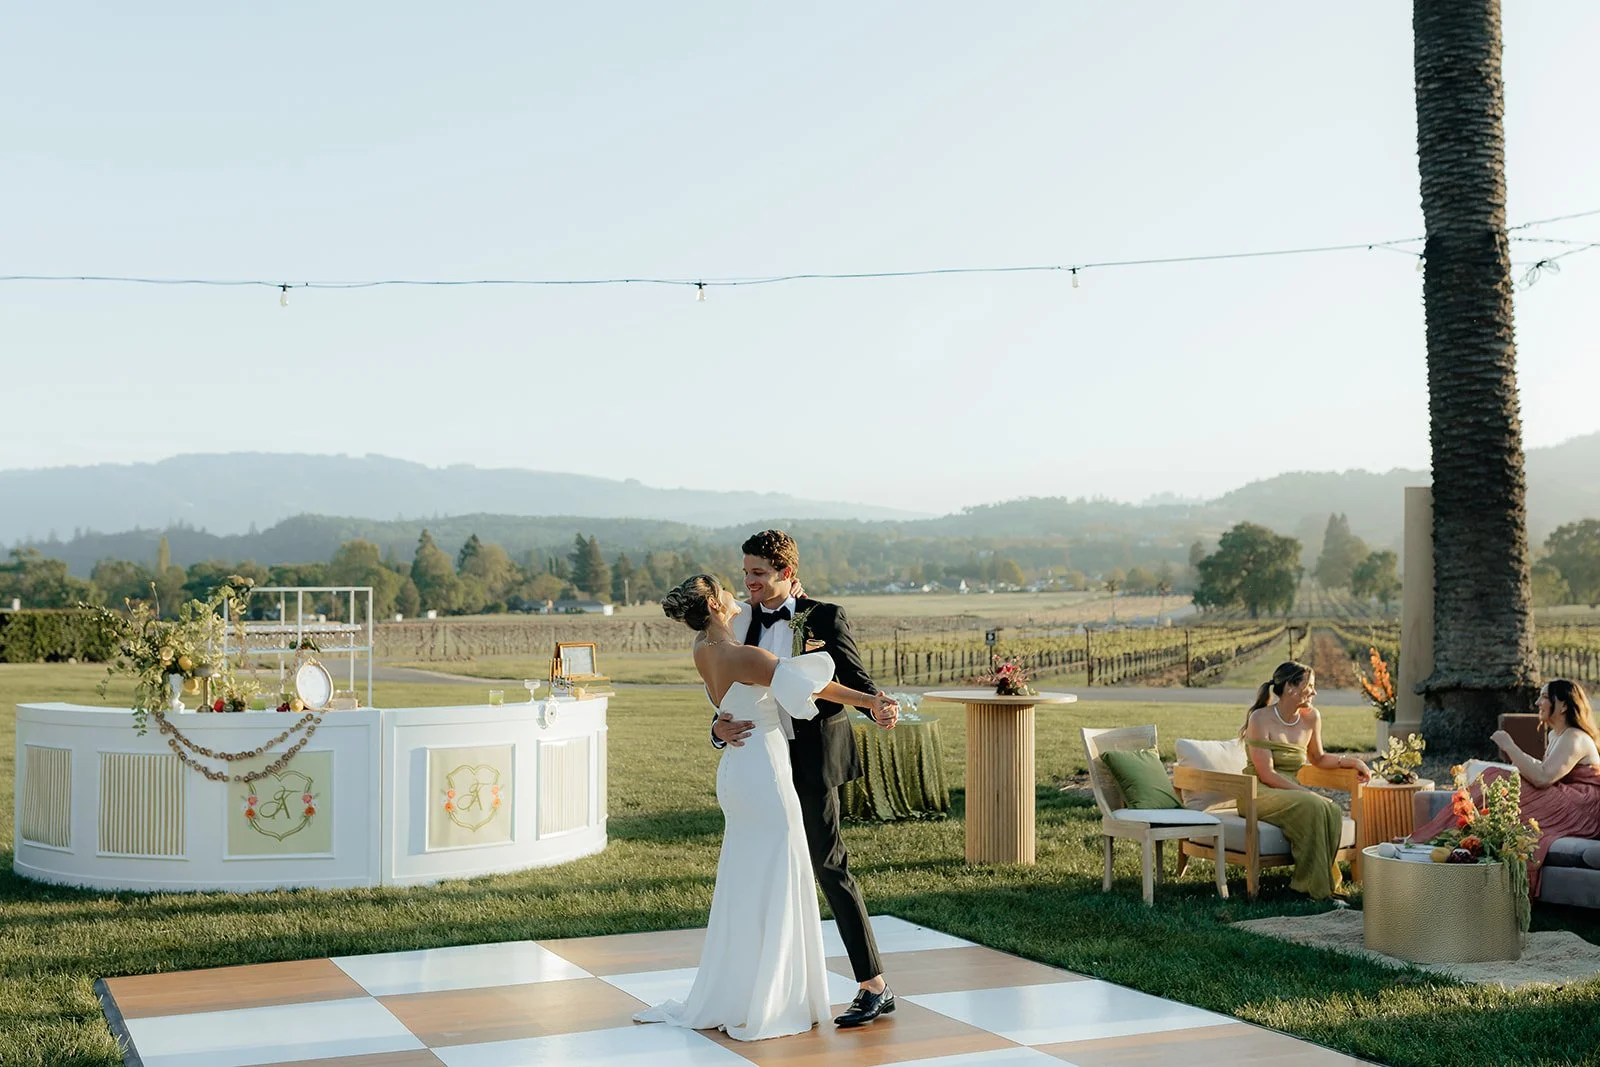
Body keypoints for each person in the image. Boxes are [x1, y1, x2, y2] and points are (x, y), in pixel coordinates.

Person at [633, 574, 898, 1041]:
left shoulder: (703, 648)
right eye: (732, 583)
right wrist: (871, 701)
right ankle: (776, 998)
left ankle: (745, 989)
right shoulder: (744, 653)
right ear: (715, 603)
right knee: (783, 876)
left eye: (754, 573)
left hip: (741, 773)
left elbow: (729, 706)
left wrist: (720, 728)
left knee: (748, 877)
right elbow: (812, 688)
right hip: (767, 773)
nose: (743, 585)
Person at [710, 530, 900, 1028]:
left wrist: (879, 704)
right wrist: (716, 728)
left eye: (758, 573)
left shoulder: (823, 617)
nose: (748, 582)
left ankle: (873, 986)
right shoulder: (741, 622)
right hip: (759, 760)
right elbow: (723, 692)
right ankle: (769, 988)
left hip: (812, 757)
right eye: (745, 572)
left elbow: (855, 679)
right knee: (765, 868)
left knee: (827, 865)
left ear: (786, 574)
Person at [1413, 678, 1600, 896]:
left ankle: (1435, 840)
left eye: (1544, 697)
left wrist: (1510, 746)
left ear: (1564, 705)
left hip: (1584, 807)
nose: (1538, 702)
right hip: (1566, 796)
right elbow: (1545, 769)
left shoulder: (1575, 737)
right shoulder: (1555, 734)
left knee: (1498, 779)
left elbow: (1542, 778)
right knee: (1496, 780)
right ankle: (1453, 848)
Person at [1239, 660, 1371, 900]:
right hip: (1258, 790)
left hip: (1288, 789)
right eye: (1309, 685)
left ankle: (1317, 884)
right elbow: (1267, 774)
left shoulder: (1311, 717)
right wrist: (1306, 792)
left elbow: (1318, 758)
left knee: (1330, 808)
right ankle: (1313, 889)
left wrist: (1353, 762)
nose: (1314, 691)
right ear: (1290, 687)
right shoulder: (1260, 718)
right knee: (1313, 804)